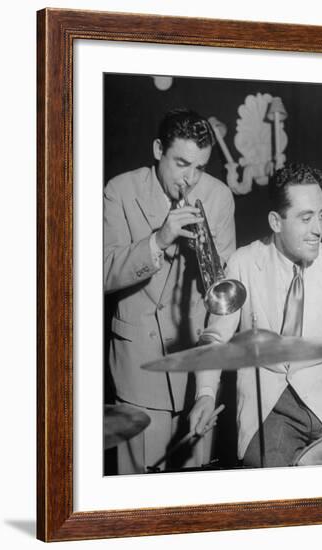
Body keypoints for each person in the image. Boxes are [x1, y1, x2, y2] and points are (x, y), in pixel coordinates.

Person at [189, 163, 322, 467]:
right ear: (276, 221)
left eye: (321, 215)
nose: (318, 229)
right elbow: (215, 337)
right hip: (268, 408)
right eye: (306, 218)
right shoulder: (243, 263)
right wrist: (204, 394)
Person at [104, 108, 236, 474]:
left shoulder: (220, 197)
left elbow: (221, 295)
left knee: (191, 496)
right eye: (182, 164)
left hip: (195, 369)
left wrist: (208, 387)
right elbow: (100, 273)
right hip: (137, 370)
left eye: (200, 168)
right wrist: (158, 240)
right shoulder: (120, 191)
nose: (191, 179)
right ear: (159, 149)